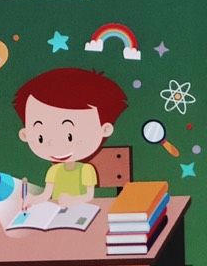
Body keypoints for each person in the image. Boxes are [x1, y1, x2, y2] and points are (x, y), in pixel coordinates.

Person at [13, 67, 127, 206]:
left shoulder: (86, 170)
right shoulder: (53, 171)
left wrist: (73, 200)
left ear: (105, 129)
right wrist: (32, 200)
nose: (57, 146)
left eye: (69, 137)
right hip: (57, 212)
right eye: (41, 138)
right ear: (25, 134)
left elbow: (89, 196)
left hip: (82, 211)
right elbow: (45, 195)